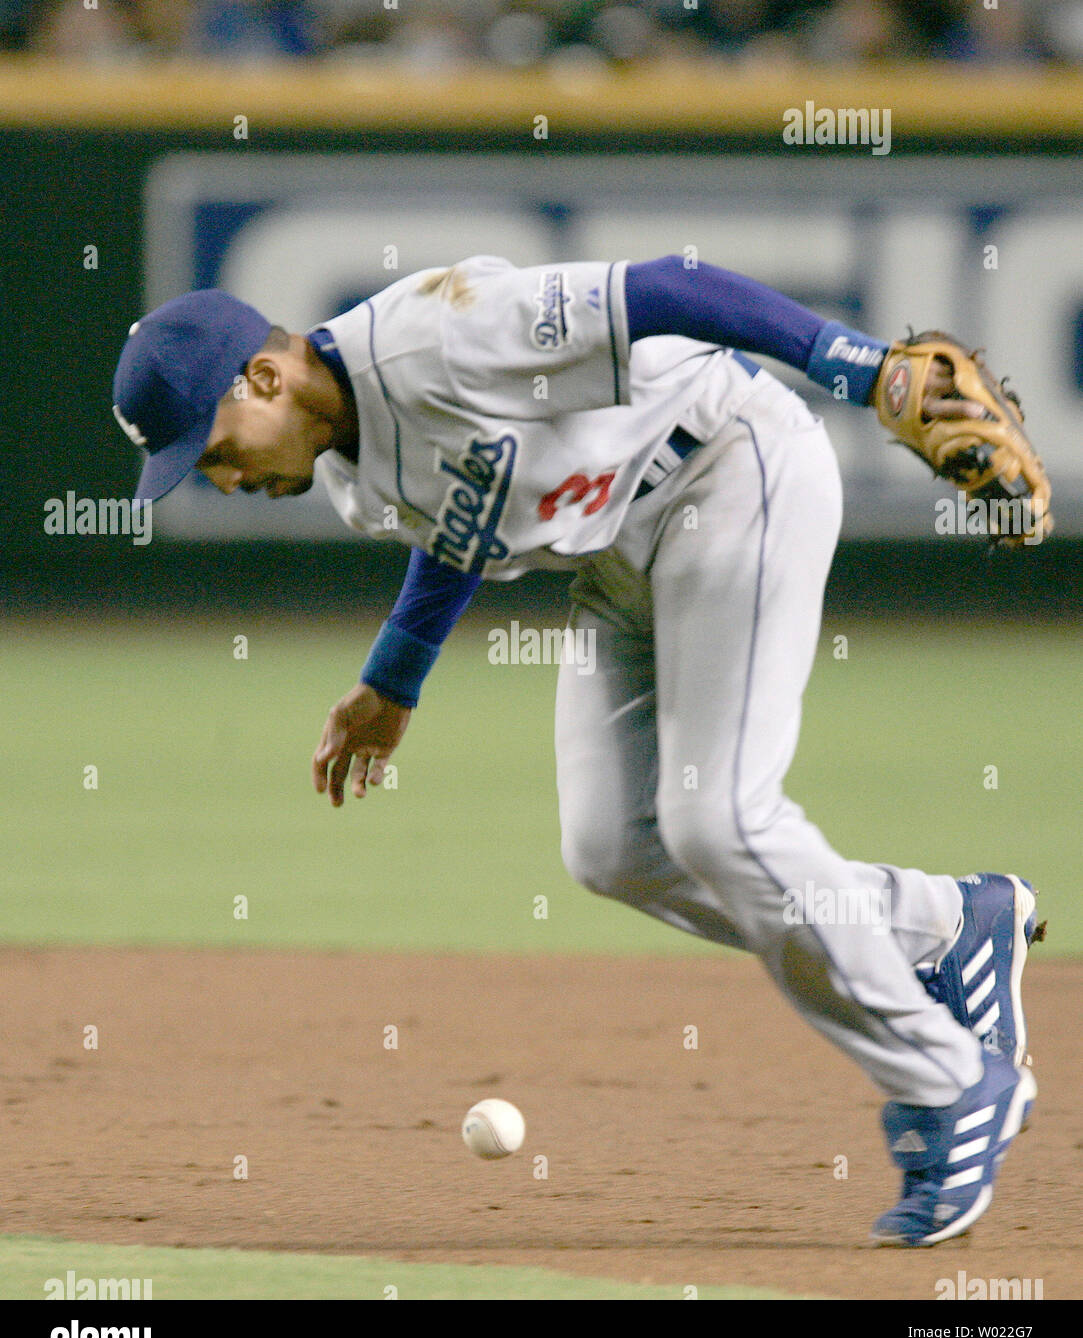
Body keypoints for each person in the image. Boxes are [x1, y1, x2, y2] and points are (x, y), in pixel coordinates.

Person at [111, 254, 1042, 1246]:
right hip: (618, 560)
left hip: (727, 467)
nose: (219, 477)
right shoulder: (344, 473)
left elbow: (666, 290)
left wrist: (857, 367)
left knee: (720, 820)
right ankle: (946, 922)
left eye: (209, 448)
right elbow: (463, 515)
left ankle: (951, 1084)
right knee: (614, 849)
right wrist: (395, 677)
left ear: (261, 379)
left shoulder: (441, 332)